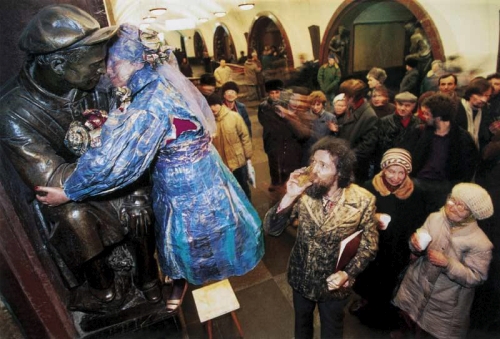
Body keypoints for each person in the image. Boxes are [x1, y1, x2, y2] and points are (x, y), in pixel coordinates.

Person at [35, 24, 264, 310]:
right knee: (202, 238)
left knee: (196, 242)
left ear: (138, 60)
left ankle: (198, 291)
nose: (108, 70)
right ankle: (187, 283)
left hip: (186, 186)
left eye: (114, 62)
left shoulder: (150, 103)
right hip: (204, 175)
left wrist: (70, 191)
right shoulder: (159, 82)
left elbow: (115, 163)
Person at [0, 4, 162, 306]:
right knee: (73, 216)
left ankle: (148, 276)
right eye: (93, 65)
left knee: (139, 206)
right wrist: (116, 162)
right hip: (71, 198)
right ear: (59, 64)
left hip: (109, 182)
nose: (103, 71)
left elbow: (131, 134)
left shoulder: (97, 85)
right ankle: (103, 288)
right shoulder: (13, 111)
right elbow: (50, 181)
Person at [263, 137, 378, 339]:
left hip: (334, 285)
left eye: (323, 165)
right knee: (302, 328)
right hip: (301, 278)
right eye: (313, 162)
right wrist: (289, 196)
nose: (314, 170)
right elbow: (271, 229)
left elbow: (370, 245)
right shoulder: (304, 192)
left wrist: (348, 274)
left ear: (340, 172)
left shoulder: (363, 200)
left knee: (332, 331)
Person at [393, 183, 493, 339]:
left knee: (430, 331)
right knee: (409, 315)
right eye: (452, 200)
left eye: (462, 207)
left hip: (446, 299)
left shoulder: (480, 243)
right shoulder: (435, 218)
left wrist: (448, 264)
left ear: (472, 213)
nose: (453, 207)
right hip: (417, 282)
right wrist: (414, 243)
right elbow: (420, 237)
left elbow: (476, 277)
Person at [351, 149, 427, 330]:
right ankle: (366, 301)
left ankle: (385, 314)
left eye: (401, 172)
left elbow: (419, 220)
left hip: (398, 247)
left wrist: (416, 242)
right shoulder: (370, 187)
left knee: (390, 282)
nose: (396, 177)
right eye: (391, 171)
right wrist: (373, 218)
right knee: (368, 277)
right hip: (373, 245)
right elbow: (355, 215)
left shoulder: (414, 192)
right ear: (383, 169)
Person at [413, 94, 479, 213]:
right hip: (419, 184)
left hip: (446, 187)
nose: (424, 117)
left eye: (427, 113)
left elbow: (470, 166)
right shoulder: (419, 132)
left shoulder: (463, 138)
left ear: (438, 117)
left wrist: (455, 186)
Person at [258, 79, 304, 191]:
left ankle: (285, 181)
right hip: (271, 138)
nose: (274, 96)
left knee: (285, 161)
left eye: (276, 92)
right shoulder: (263, 106)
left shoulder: (286, 105)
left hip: (286, 137)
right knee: (273, 160)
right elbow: (262, 120)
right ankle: (274, 182)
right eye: (271, 93)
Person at [207, 93, 253, 199]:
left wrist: (248, 158)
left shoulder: (234, 116)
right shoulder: (209, 121)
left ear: (221, 104)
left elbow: (245, 136)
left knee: (243, 187)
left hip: (238, 161)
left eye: (215, 104)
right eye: (210, 106)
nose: (213, 108)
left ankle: (249, 207)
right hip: (222, 163)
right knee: (229, 190)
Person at [336, 79, 379, 183]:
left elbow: (367, 146)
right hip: (345, 162)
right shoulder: (351, 108)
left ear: (352, 97)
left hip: (356, 167)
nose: (343, 98)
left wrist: (346, 157)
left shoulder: (369, 116)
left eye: (345, 95)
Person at [375, 92, 422, 174]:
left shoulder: (419, 124)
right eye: (400, 104)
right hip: (387, 162)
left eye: (407, 105)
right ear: (395, 104)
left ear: (413, 106)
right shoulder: (384, 121)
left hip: (408, 164)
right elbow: (379, 146)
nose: (403, 108)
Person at [300, 91, 338, 165]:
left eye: (318, 104)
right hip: (308, 152)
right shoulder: (305, 116)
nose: (315, 107)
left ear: (323, 104)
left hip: (324, 152)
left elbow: (334, 139)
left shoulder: (330, 117)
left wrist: (334, 131)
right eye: (313, 104)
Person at [455, 77, 493, 148]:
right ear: (470, 94)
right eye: (480, 95)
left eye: (487, 96)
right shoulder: (456, 108)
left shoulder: (485, 110)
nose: (484, 100)